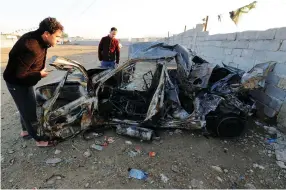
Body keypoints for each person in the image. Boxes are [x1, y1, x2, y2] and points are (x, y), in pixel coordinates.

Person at [3, 17, 64, 147]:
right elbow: (20, 75)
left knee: (23, 106)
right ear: (47, 34)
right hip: (17, 83)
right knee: (29, 110)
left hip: (22, 81)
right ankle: (40, 140)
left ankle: (25, 131)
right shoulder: (31, 46)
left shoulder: (40, 39)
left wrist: (38, 69)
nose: (59, 40)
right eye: (57, 37)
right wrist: (39, 74)